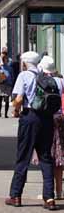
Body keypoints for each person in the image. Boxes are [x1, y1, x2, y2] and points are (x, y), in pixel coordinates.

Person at [6, 51, 64, 210]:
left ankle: (16, 195)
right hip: (46, 119)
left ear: (24, 63)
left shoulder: (24, 75)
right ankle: (49, 198)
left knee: (23, 156)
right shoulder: (48, 78)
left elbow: (18, 99)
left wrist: (15, 110)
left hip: (29, 118)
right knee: (46, 157)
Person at [31, 56, 64, 200]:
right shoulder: (61, 81)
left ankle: (47, 192)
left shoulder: (41, 80)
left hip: (47, 120)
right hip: (61, 120)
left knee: (47, 156)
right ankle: (59, 192)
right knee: (59, 158)